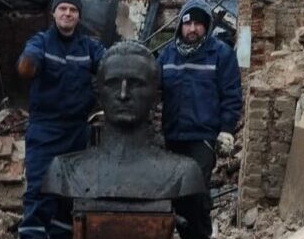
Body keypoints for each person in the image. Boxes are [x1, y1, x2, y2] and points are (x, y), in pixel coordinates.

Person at [42, 41, 205, 202]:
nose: (123, 94)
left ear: (156, 98)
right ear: (99, 95)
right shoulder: (65, 172)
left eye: (136, 84)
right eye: (112, 84)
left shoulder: (182, 174)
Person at [17, 0, 105, 239]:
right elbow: (26, 63)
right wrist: (28, 66)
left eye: (73, 10)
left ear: (79, 16)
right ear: (54, 13)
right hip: (45, 127)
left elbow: (108, 62)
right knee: (40, 185)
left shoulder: (89, 47)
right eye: (63, 9)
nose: (67, 14)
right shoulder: (40, 42)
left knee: (69, 189)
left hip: (76, 129)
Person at [157, 0, 242, 239]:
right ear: (180, 26)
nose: (192, 28)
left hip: (202, 136)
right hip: (173, 135)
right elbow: (154, 90)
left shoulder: (221, 54)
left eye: (197, 23)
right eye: (187, 23)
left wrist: (226, 131)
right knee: (176, 193)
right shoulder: (167, 55)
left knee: (196, 190)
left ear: (206, 26)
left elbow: (231, 95)